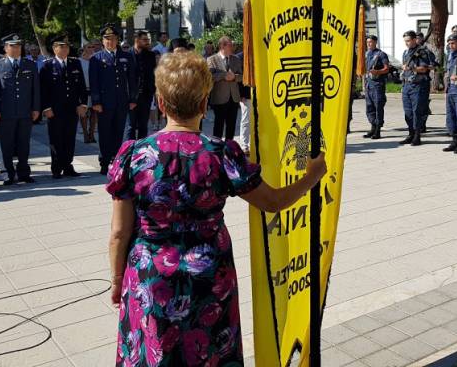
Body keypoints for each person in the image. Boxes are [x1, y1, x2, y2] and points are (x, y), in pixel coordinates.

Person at [106, 52, 327, 366]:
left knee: (153, 354)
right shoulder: (220, 154)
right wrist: (311, 176)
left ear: (161, 102)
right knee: (208, 353)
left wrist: (117, 280)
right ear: (204, 103)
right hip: (210, 279)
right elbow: (273, 202)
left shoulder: (134, 155)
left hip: (150, 278)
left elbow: (119, 233)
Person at [0, 34, 40, 185]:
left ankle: (24, 172)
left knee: (24, 143)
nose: (16, 49)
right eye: (12, 46)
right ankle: (7, 173)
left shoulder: (30, 65)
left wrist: (36, 108)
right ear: (5, 48)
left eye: (18, 46)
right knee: (6, 144)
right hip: (6, 112)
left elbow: (36, 89)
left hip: (25, 111)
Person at [90, 24, 138, 174]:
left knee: (118, 132)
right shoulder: (96, 58)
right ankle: (104, 161)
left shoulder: (126, 57)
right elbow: (94, 83)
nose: (110, 42)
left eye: (112, 39)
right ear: (102, 41)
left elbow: (132, 79)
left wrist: (133, 99)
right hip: (104, 103)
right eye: (107, 39)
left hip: (122, 102)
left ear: (117, 40)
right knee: (105, 133)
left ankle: (116, 160)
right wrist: (96, 102)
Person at [40, 36, 88, 179]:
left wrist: (83, 104)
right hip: (55, 109)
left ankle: (68, 165)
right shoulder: (47, 65)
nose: (65, 49)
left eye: (66, 46)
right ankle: (56, 167)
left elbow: (81, 86)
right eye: (61, 47)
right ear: (54, 49)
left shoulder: (75, 63)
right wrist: (46, 108)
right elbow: (43, 89)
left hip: (72, 108)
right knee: (56, 138)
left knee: (69, 138)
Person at [399, 30, 432, 146]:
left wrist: (412, 68)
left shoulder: (422, 52)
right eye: (405, 41)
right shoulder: (405, 52)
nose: (406, 43)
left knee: (417, 111)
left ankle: (417, 136)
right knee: (408, 112)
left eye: (408, 41)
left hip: (418, 85)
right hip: (407, 85)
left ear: (414, 40)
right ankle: (410, 134)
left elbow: (424, 68)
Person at [207, 36, 243, 140]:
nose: (233, 47)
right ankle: (217, 147)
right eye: (230, 45)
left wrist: (234, 77)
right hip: (219, 98)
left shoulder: (236, 59)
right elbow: (209, 76)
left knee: (231, 125)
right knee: (219, 125)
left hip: (234, 98)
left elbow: (242, 76)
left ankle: (229, 146)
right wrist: (224, 76)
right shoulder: (212, 59)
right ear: (222, 46)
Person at [128, 30, 156, 140]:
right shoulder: (127, 54)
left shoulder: (150, 55)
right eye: (144, 40)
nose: (147, 42)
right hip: (131, 96)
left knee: (143, 125)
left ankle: (141, 148)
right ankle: (130, 148)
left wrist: (153, 91)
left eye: (148, 40)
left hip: (146, 95)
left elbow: (153, 74)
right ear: (137, 40)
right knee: (131, 126)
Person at [364, 35, 389, 140]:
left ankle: (378, 130)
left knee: (378, 107)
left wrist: (377, 71)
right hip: (369, 84)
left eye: (370, 42)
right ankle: (373, 127)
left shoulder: (381, 54)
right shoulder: (367, 54)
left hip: (378, 84)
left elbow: (386, 69)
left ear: (375, 42)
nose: (369, 44)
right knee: (369, 107)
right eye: (367, 42)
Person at [79, 42, 97, 143]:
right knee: (84, 113)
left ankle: (92, 134)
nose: (91, 48)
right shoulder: (79, 61)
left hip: (94, 90)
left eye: (92, 47)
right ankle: (85, 134)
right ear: (84, 48)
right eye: (89, 47)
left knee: (94, 113)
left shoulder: (96, 60)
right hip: (83, 90)